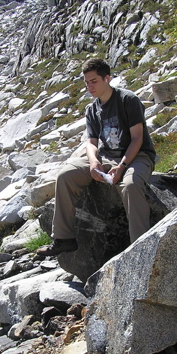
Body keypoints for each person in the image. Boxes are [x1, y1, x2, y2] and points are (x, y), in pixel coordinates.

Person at [37, 58, 156, 257]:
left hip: (137, 156)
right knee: (65, 176)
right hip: (107, 156)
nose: (89, 86)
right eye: (86, 82)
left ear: (107, 78)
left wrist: (122, 166)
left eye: (94, 81)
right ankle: (64, 239)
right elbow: (91, 142)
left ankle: (140, 249)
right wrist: (93, 162)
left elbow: (137, 138)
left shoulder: (128, 100)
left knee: (131, 185)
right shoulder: (92, 109)